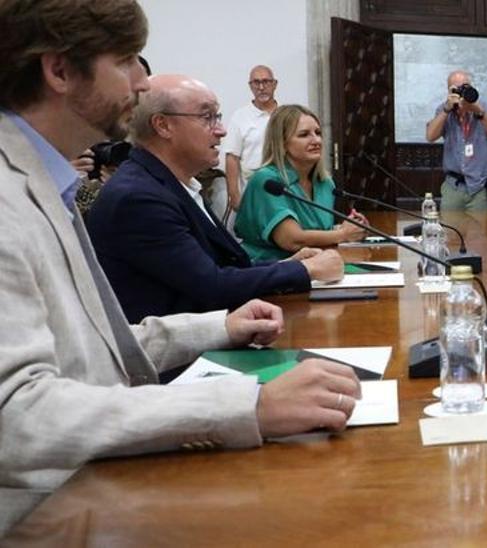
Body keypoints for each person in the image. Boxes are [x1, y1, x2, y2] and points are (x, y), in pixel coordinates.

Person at [0, 0, 362, 533]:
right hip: (50, 511)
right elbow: (17, 416)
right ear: (58, 70)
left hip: (99, 480)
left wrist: (219, 325)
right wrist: (246, 405)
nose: (140, 86)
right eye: (125, 61)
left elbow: (94, 350)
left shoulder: (44, 182)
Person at [86, 74, 345, 323]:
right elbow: (211, 285)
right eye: (208, 117)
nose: (221, 131)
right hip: (178, 359)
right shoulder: (139, 198)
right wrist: (306, 270)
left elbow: (220, 267)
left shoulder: (176, 184)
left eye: (217, 117)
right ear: (163, 125)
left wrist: (289, 264)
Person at [234, 104, 366, 261]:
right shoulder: (267, 181)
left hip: (317, 266)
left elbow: (319, 230)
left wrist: (353, 227)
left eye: (318, 133)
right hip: (270, 271)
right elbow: (291, 240)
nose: (316, 140)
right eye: (304, 135)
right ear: (282, 143)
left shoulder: (325, 183)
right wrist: (343, 234)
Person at [424, 69, 487, 211]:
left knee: (480, 231)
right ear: (449, 92)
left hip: (481, 186)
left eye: (465, 87)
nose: (462, 93)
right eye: (456, 89)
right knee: (451, 230)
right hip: (453, 185)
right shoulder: (444, 110)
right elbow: (430, 136)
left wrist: (479, 113)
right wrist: (446, 110)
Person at [222, 65, 278, 224]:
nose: (261, 87)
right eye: (256, 82)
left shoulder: (286, 115)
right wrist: (234, 195)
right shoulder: (240, 117)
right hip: (252, 192)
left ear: (275, 84)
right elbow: (231, 157)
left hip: (284, 190)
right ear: (250, 86)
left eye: (266, 82)